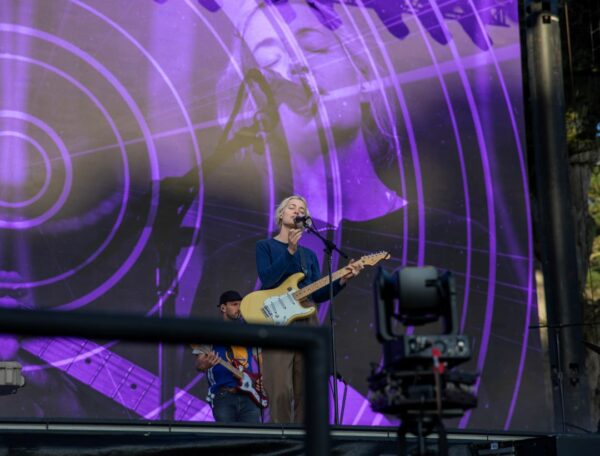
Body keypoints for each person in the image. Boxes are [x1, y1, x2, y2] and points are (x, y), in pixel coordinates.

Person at [256, 195, 363, 424]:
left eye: (302, 209)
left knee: (306, 389)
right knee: (280, 389)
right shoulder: (265, 246)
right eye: (292, 207)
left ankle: (304, 438)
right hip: (278, 321)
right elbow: (267, 279)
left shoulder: (310, 256)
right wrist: (289, 251)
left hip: (307, 318)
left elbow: (317, 293)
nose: (297, 211)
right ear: (281, 214)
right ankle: (281, 437)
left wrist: (343, 279)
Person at [193, 290, 263, 424]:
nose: (239, 308)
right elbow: (199, 365)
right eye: (234, 304)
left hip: (249, 395)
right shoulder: (210, 331)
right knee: (227, 435)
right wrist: (207, 363)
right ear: (223, 308)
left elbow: (259, 358)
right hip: (223, 395)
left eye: (241, 304)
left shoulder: (249, 330)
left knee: (253, 435)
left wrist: (262, 378)